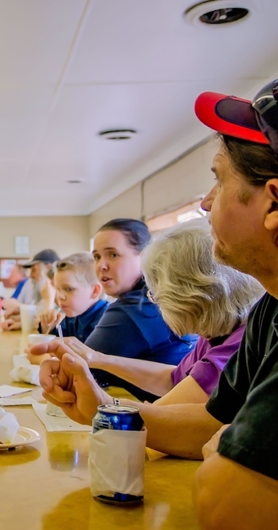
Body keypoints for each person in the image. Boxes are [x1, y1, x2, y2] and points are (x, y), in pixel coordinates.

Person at [37, 80, 278, 529]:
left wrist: (224, 451)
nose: (205, 203)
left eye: (219, 180)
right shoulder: (270, 311)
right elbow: (207, 424)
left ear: (273, 203)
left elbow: (227, 498)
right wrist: (102, 408)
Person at [33, 220, 260, 407]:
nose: (155, 301)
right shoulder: (212, 335)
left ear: (198, 291)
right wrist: (99, 359)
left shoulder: (235, 345)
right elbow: (175, 379)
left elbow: (165, 418)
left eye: (158, 292)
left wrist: (104, 404)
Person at [82, 218, 196, 402]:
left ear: (145, 257)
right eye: (96, 257)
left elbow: (81, 369)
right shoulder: (155, 297)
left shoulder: (134, 310)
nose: (101, 265)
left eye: (113, 255)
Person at [28, 252, 108, 364]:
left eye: (69, 289)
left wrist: (44, 360)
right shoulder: (72, 317)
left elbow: (93, 367)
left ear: (95, 291)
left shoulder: (106, 322)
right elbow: (55, 346)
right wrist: (48, 328)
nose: (60, 296)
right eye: (58, 289)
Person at [2, 249, 59, 329]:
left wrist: (48, 300)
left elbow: (48, 325)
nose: (30, 275)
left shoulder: (60, 295)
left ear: (49, 268)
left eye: (34, 270)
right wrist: (19, 318)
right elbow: (38, 318)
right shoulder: (43, 293)